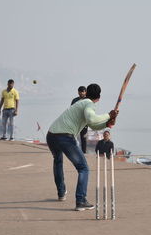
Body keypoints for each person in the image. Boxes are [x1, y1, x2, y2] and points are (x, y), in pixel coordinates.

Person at [47, 83, 118, 211]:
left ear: (87, 93)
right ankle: (80, 201)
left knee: (58, 162)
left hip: (51, 134)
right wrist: (109, 115)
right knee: (83, 168)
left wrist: (108, 123)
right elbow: (92, 118)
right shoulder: (89, 104)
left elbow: (93, 124)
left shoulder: (81, 103)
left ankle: (61, 193)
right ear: (98, 98)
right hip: (64, 136)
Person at [71, 86, 88, 153]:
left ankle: (84, 152)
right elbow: (71, 110)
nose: (81, 93)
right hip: (76, 122)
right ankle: (73, 150)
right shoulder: (74, 100)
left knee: (83, 137)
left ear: (85, 92)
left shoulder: (88, 100)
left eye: (83, 91)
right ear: (78, 92)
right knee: (72, 136)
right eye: (80, 91)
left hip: (84, 122)